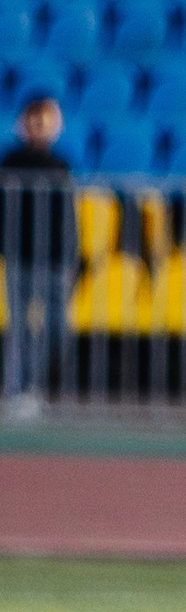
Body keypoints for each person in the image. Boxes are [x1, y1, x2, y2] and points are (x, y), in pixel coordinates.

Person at [2, 94, 75, 419]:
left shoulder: (60, 165)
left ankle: (35, 385)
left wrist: (72, 255)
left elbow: (67, 218)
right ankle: (16, 389)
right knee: (18, 327)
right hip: (21, 257)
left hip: (55, 261)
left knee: (56, 326)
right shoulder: (11, 163)